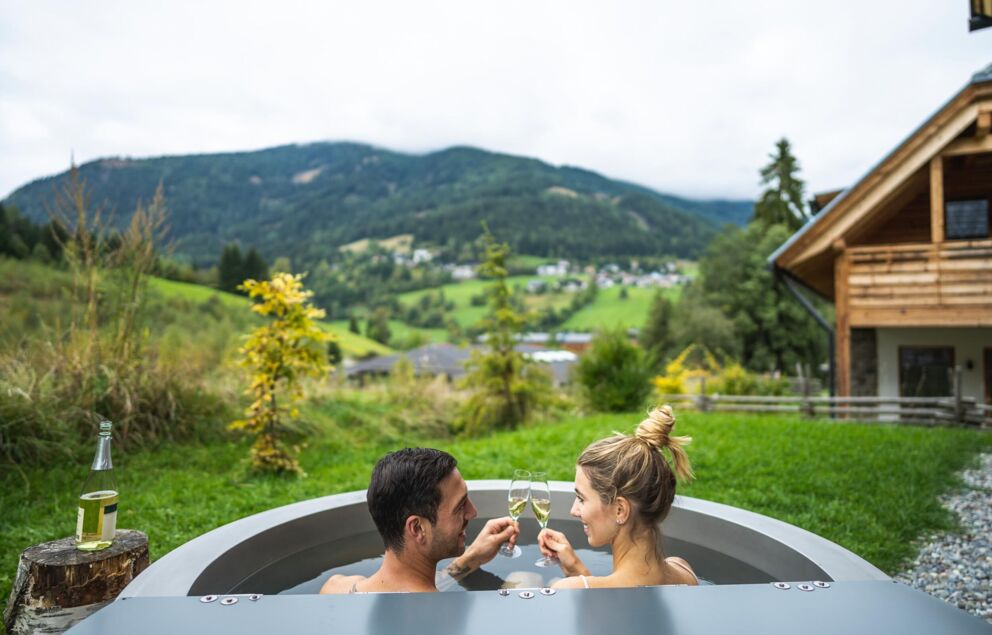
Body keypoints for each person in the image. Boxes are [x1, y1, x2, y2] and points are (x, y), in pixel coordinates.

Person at [537, 405, 698, 589]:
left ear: (620, 510)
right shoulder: (685, 572)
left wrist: (578, 581)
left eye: (581, 498)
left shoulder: (568, 589)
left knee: (523, 577)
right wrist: (575, 568)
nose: (573, 510)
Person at [320, 447, 519, 594]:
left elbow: (410, 588)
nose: (472, 512)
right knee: (524, 578)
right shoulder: (448, 617)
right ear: (417, 528)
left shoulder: (336, 588)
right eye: (460, 506)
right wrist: (552, 589)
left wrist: (471, 558)